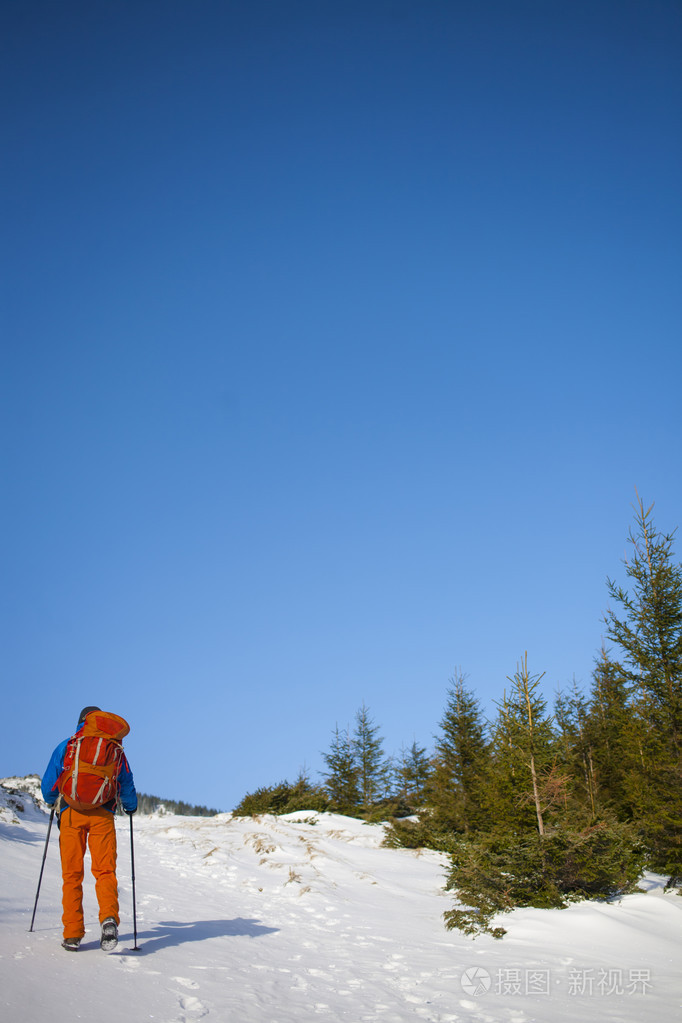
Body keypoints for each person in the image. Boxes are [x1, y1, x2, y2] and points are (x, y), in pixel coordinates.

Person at [41, 706, 137, 952]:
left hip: (71, 814)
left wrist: (51, 799)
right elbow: (125, 779)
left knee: (72, 875)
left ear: (80, 721)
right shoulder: (113, 748)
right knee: (105, 871)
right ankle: (108, 918)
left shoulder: (68, 745)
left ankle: (72, 934)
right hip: (103, 815)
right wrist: (131, 806)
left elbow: (50, 784)